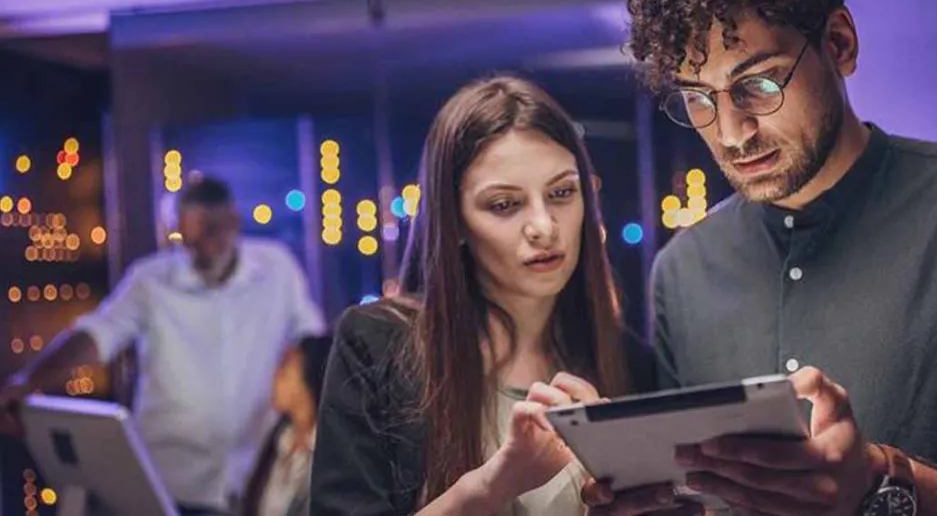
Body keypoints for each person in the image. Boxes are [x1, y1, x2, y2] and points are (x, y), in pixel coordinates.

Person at [578, 0, 937, 514]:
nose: (731, 133)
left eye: (760, 84)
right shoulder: (682, 270)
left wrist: (884, 481)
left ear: (839, 43)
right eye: (698, 99)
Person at [309, 75, 658, 515]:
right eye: (505, 205)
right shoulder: (379, 345)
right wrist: (496, 483)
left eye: (562, 193)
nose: (544, 226)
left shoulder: (629, 362)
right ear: (454, 222)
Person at [0, 176, 326, 515]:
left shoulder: (277, 269)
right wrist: (30, 381)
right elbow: (96, 335)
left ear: (233, 221)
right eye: (188, 240)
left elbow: (311, 344)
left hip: (253, 485)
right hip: (168, 487)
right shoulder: (149, 281)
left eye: (208, 235)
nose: (198, 251)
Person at [242, 335, 333, 516]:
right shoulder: (278, 440)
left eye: (285, 370)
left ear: (309, 382)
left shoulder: (330, 458)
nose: (274, 375)